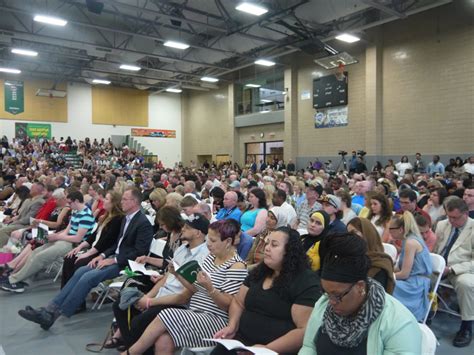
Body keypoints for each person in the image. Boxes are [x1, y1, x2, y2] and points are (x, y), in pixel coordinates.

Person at [18, 188, 154, 328]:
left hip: (125, 264)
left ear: (135, 202)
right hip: (114, 258)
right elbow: (117, 244)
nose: (122, 202)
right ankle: (49, 310)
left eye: (125, 199)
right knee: (80, 271)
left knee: (87, 277)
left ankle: (52, 314)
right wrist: (102, 255)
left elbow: (139, 252)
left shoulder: (142, 223)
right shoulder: (127, 218)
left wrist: (113, 260)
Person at [123, 219, 248, 354]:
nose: (208, 244)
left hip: (215, 321)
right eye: (208, 240)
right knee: (163, 339)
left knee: (166, 314)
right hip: (195, 313)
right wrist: (178, 275)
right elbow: (194, 289)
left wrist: (210, 288)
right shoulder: (211, 258)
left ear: (228, 242)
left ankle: (131, 353)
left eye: (213, 241)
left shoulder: (237, 266)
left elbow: (228, 305)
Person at [299, 233, 421, 355]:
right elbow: (309, 347)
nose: (331, 302)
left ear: (360, 287)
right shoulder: (324, 304)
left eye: (337, 296)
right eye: (326, 293)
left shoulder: (399, 324)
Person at [212, 227, 322, 355]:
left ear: (289, 251)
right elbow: (238, 302)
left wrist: (266, 349)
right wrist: (232, 326)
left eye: (274, 245)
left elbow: (303, 330)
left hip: (275, 350)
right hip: (241, 342)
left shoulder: (305, 281)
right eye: (267, 243)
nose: (267, 248)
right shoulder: (260, 271)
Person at [110, 214, 209, 351]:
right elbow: (167, 278)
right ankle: (133, 346)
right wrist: (148, 297)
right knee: (120, 306)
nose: (183, 229)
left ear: (198, 233)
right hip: (163, 294)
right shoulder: (181, 249)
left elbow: (186, 295)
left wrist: (149, 302)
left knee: (138, 322)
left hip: (177, 303)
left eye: (187, 227)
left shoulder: (204, 257)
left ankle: (134, 348)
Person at [2, 190, 95, 293]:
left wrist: (57, 237)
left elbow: (78, 238)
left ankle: (13, 280)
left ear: (76, 201)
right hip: (66, 240)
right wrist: (56, 236)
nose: (68, 205)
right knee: (35, 251)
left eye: (69, 202)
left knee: (40, 256)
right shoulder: (76, 211)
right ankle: (17, 278)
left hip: (74, 245)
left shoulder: (86, 215)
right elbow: (67, 230)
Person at [60, 191, 124, 287]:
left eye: (106, 199)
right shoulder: (106, 216)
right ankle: (65, 291)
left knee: (79, 263)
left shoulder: (117, 219)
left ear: (114, 203)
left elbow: (104, 242)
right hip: (94, 248)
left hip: (102, 252)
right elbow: (93, 236)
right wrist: (79, 247)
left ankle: (76, 297)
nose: (103, 201)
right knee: (69, 258)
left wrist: (87, 254)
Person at [434, 197, 473, 347]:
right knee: (418, 274)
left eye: (455, 218)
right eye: (449, 216)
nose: (451, 221)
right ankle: (423, 314)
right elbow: (436, 248)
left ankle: (467, 326)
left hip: (462, 268)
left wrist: (452, 269)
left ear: (466, 214)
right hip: (440, 265)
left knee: (466, 284)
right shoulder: (442, 224)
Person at [389, 212, 432, 322]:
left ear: (400, 229)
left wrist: (388, 275)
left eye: (391, 229)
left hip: (415, 284)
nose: (389, 232)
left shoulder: (410, 243)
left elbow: (404, 274)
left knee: (384, 285)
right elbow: (400, 268)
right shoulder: (407, 240)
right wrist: (385, 270)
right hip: (412, 280)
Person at [347, 217, 395, 294]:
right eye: (348, 234)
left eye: (354, 233)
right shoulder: (348, 258)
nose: (349, 238)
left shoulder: (380, 264)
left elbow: (376, 296)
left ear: (367, 234)